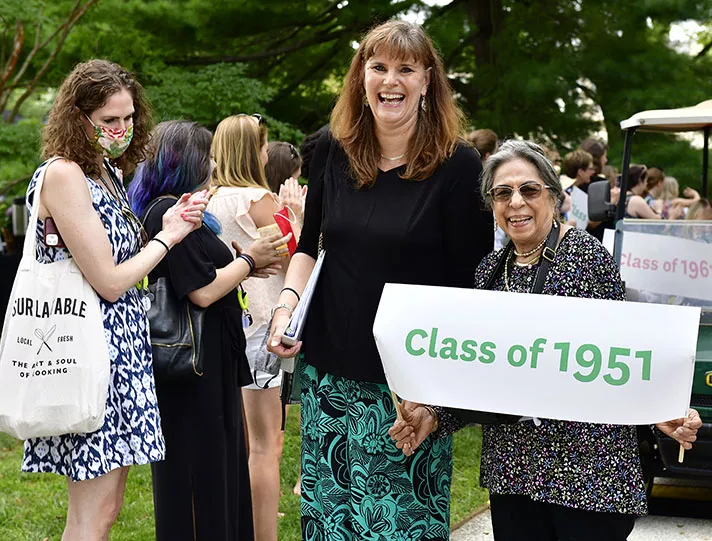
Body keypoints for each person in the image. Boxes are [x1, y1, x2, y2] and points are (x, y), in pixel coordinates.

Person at [389, 140, 703, 541]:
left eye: (529, 190)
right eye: (503, 193)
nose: (516, 202)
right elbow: (477, 373)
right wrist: (433, 415)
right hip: (514, 471)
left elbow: (623, 355)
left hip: (588, 475)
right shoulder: (488, 272)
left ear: (553, 196)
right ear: (492, 205)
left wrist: (663, 407)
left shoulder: (585, 257)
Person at [267, 20, 491, 540]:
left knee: (399, 528)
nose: (391, 81)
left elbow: (469, 288)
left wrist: (437, 397)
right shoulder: (331, 149)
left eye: (406, 69)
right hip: (330, 381)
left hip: (407, 392)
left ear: (427, 81)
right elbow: (309, 246)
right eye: (379, 67)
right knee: (332, 524)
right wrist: (285, 307)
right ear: (361, 77)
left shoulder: (459, 166)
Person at [20, 60, 208, 540]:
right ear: (77, 117)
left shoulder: (103, 172)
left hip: (119, 353)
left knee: (105, 509)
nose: (122, 129)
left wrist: (167, 228)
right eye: (109, 120)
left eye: (128, 118)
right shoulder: (64, 175)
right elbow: (108, 279)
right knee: (93, 514)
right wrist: (166, 238)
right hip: (88, 350)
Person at [128, 119, 289, 541]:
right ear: (185, 161)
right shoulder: (166, 211)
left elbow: (205, 272)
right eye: (206, 155)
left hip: (210, 364)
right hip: (189, 370)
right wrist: (249, 261)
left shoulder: (185, 208)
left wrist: (238, 260)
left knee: (220, 470)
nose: (214, 163)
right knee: (199, 479)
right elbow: (199, 291)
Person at [206, 114, 301, 541]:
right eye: (263, 145)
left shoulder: (208, 198)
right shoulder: (258, 198)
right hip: (263, 324)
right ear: (252, 150)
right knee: (266, 447)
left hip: (227, 325)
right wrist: (296, 216)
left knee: (240, 445)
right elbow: (293, 257)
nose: (267, 152)